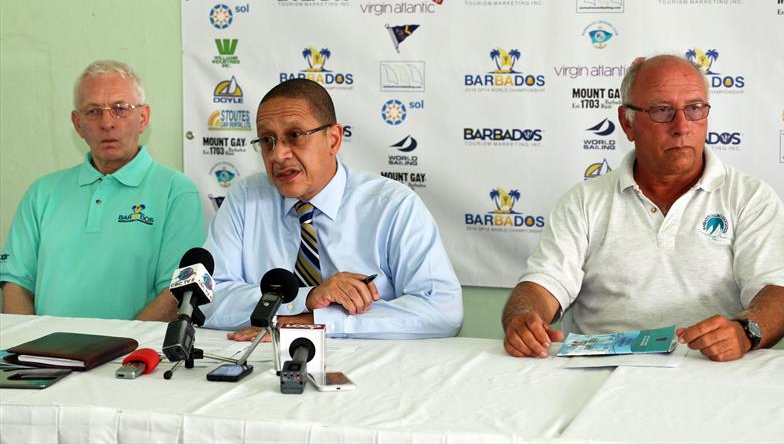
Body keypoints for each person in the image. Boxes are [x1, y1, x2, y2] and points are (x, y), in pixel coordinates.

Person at [503, 55, 784, 362]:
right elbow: (543, 284)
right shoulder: (583, 202)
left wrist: (745, 330)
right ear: (626, 122)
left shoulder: (750, 197)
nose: (682, 127)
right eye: (662, 111)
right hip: (599, 372)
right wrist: (525, 318)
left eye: (695, 108)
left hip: (707, 371)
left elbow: (776, 292)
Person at [202, 78, 463, 339]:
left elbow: (442, 311)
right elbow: (204, 298)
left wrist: (318, 321)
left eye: (294, 136)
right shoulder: (245, 199)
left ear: (334, 139)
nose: (278, 155)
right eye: (267, 140)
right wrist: (307, 298)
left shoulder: (392, 206)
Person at [1, 61, 205, 320]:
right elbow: (16, 285)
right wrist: (27, 351)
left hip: (131, 356)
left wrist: (120, 351)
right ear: (77, 123)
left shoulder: (176, 192)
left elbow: (176, 293)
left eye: (120, 109)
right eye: (93, 111)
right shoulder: (42, 193)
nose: (107, 122)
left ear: (143, 117)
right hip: (44, 357)